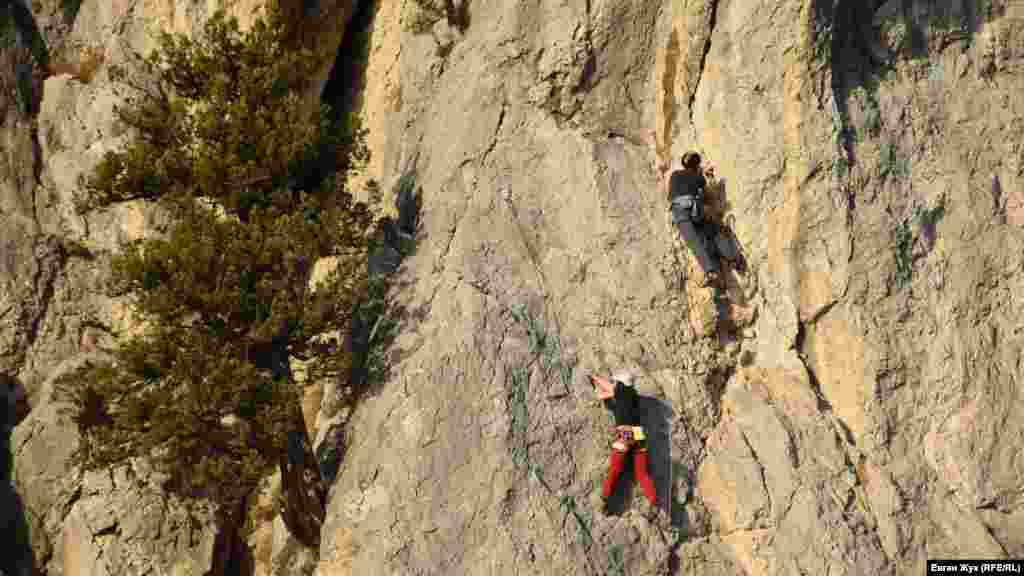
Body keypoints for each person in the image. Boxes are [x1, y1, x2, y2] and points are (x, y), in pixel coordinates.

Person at [590, 371, 658, 512]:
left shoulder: (621, 390)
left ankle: (604, 500)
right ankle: (653, 499)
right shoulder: (633, 395)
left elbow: (606, 389)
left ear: (620, 383)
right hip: (639, 434)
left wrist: (594, 378)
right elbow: (609, 392)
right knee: (642, 473)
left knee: (615, 469)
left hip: (627, 432)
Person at [668, 151, 720, 286]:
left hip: (680, 210)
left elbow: (671, 194)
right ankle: (721, 254)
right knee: (704, 231)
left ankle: (710, 271)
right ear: (697, 165)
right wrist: (707, 175)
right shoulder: (698, 177)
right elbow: (707, 194)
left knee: (693, 241)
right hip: (695, 208)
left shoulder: (675, 175)